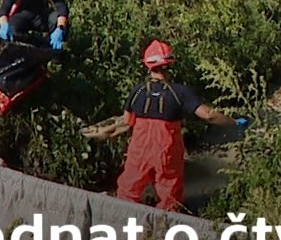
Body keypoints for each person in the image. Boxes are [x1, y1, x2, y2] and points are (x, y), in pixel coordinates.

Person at [99, 40, 246, 213]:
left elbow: (126, 121)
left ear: (147, 65)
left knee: (128, 190)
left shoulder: (137, 91)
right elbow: (209, 115)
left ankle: (121, 220)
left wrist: (103, 132)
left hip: (139, 150)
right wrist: (233, 122)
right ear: (169, 64)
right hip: (166, 151)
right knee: (169, 197)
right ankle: (164, 226)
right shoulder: (180, 92)